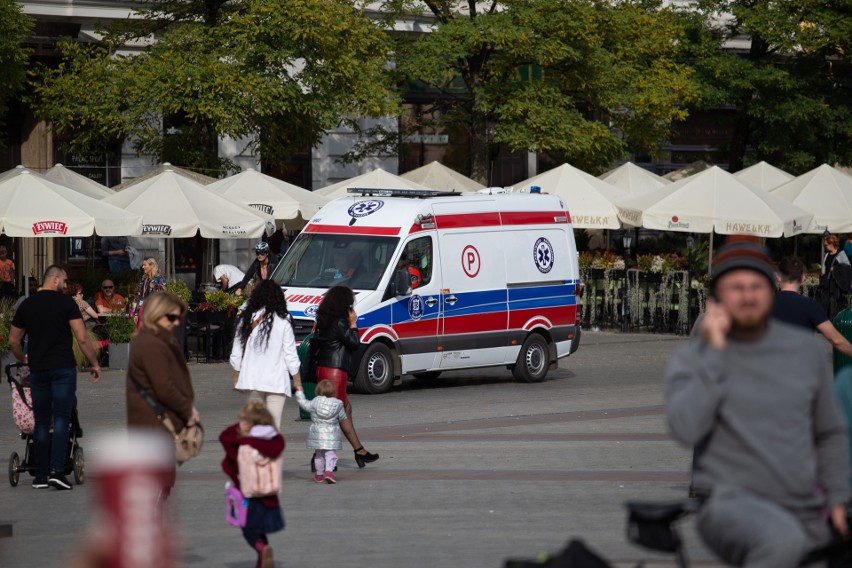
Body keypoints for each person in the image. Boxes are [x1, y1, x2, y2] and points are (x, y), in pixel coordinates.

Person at [665, 236, 850, 568]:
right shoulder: (702, 348)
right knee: (782, 541)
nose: (748, 295)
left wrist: (838, 497)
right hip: (730, 498)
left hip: (799, 495)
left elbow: (830, 433)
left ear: (771, 291)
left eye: (756, 286)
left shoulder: (803, 351)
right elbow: (684, 426)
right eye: (737, 287)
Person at [8, 265, 101, 490]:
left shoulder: (26, 305)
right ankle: (57, 471)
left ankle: (40, 476)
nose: (67, 286)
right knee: (61, 419)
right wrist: (95, 363)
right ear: (55, 279)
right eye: (65, 281)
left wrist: (24, 359)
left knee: (41, 421)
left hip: (38, 370)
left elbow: (13, 341)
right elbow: (82, 338)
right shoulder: (66, 303)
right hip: (62, 369)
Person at [126, 291, 199, 500]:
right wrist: (187, 411)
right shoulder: (151, 344)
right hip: (154, 422)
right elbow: (163, 387)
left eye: (178, 318)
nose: (176, 323)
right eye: (171, 317)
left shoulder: (158, 340)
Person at [313, 285, 378, 468]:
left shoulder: (323, 319)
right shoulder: (341, 322)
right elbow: (354, 343)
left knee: (345, 410)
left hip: (323, 369)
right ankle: (323, 458)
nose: (351, 307)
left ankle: (359, 451)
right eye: (350, 304)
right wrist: (353, 323)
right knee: (335, 414)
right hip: (335, 372)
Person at [219, 401, 284, 568]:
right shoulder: (276, 440)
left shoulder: (241, 445)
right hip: (269, 496)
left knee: (249, 530)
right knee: (259, 529)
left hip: (248, 496)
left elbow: (224, 436)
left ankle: (262, 549)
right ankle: (262, 558)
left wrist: (243, 429)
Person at [230, 280, 301, 430]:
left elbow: (237, 350)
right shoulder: (285, 319)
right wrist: (297, 381)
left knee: (254, 427)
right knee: (274, 427)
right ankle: (271, 452)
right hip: (276, 380)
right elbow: (290, 354)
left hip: (252, 379)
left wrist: (236, 373)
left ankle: (255, 452)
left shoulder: (246, 317)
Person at [773, 256, 852, 357]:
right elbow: (835, 340)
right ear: (803, 278)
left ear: (778, 277)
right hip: (801, 366)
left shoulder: (764, 304)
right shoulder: (810, 305)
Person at [295, 379, 349, 484]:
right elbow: (342, 417)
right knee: (330, 454)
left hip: (318, 433)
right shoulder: (338, 404)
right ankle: (329, 472)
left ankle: (319, 475)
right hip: (332, 433)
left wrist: (299, 393)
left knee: (319, 454)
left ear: (318, 390)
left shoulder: (315, 402)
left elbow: (304, 404)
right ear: (333, 391)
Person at [820, 234, 852, 319]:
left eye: (826, 245)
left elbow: (848, 267)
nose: (825, 246)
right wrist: (823, 273)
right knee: (825, 304)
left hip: (836, 283)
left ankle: (842, 320)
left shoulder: (841, 254)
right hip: (827, 282)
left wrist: (835, 268)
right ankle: (825, 323)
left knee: (839, 303)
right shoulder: (827, 255)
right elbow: (824, 266)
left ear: (832, 244)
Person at [130, 257, 167, 324]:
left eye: (145, 265)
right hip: (143, 313)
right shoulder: (143, 280)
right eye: (142, 265)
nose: (143, 267)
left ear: (152, 266)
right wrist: (136, 313)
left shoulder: (160, 279)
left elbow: (164, 297)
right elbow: (140, 297)